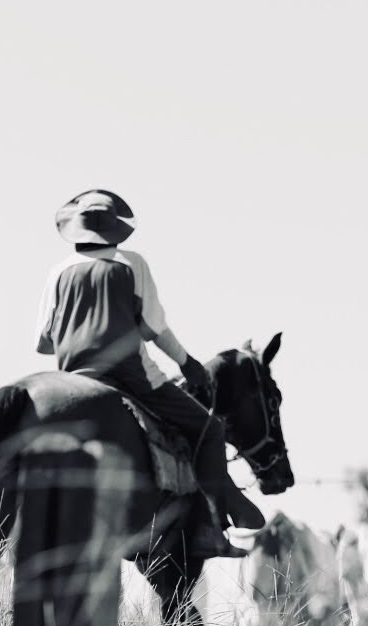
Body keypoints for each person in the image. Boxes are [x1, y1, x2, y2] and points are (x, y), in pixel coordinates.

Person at [35, 189, 265, 554]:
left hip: (72, 378)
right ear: (115, 230)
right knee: (209, 429)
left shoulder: (58, 272)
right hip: (130, 377)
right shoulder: (131, 264)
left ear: (76, 229)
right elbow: (153, 328)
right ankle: (211, 526)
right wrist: (187, 363)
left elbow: (44, 342)